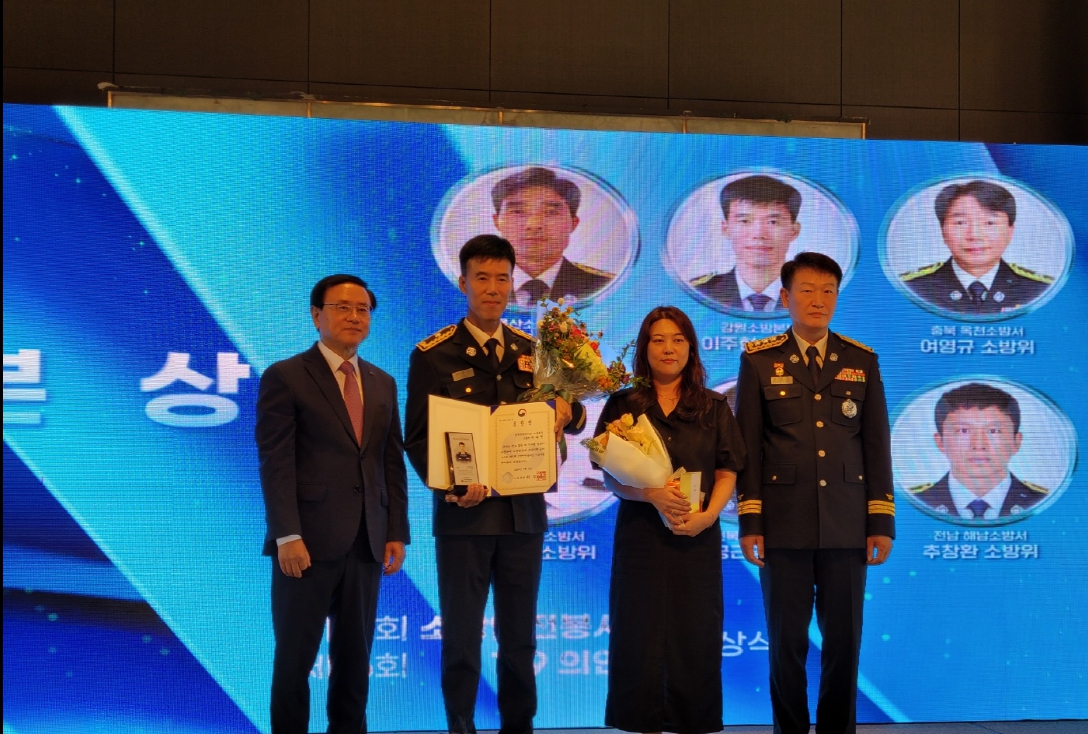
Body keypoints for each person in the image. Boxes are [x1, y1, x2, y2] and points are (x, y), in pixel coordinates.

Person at [404, 234, 587, 734]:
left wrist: (567, 411)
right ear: (462, 282)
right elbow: (417, 439)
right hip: (464, 516)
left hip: (523, 515)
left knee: (520, 638)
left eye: (501, 278)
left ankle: (518, 727)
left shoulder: (533, 351)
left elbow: (571, 416)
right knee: (462, 638)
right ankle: (461, 726)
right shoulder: (434, 354)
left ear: (512, 284)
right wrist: (454, 484)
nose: (492, 288)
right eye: (481, 278)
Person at [734, 252, 894, 734]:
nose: (818, 300)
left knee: (844, 643)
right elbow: (748, 449)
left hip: (847, 525)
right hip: (784, 526)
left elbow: (876, 445)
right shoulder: (759, 360)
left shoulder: (861, 360)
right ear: (785, 296)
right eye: (807, 290)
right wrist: (750, 521)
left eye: (828, 291)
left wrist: (881, 521)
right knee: (786, 644)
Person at [256, 274, 410, 734]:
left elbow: (390, 462)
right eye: (342, 307)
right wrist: (287, 534)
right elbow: (276, 463)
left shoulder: (382, 382)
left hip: (367, 541)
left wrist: (396, 531)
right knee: (294, 660)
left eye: (362, 309)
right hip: (306, 542)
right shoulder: (286, 376)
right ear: (316, 315)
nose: (354, 317)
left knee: (355, 659)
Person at [594, 306, 745, 734]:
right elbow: (610, 476)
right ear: (645, 348)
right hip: (640, 537)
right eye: (658, 340)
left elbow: (727, 470)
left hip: (696, 537)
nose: (668, 348)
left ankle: (692, 721)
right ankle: (637, 721)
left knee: (695, 634)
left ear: (691, 349)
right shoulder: (623, 405)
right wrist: (650, 494)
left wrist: (709, 517)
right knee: (637, 631)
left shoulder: (714, 406)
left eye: (678, 340)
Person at [900, 180, 1054, 314]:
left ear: (1010, 231)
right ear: (943, 230)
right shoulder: (912, 288)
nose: (974, 235)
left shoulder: (1039, 289)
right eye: (960, 223)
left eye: (990, 223)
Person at [911, 383, 1047, 520]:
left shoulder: (1041, 501)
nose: (979, 445)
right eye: (963, 431)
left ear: (1016, 442)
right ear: (940, 442)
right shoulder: (915, 502)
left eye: (993, 431)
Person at [491, 167, 614, 306]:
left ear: (573, 223)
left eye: (550, 212)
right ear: (497, 222)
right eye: (517, 211)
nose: (534, 224)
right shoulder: (474, 286)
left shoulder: (604, 286)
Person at [690, 175, 802, 313]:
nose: (759, 234)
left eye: (772, 222)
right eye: (744, 221)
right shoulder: (700, 292)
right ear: (726, 229)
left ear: (794, 231)